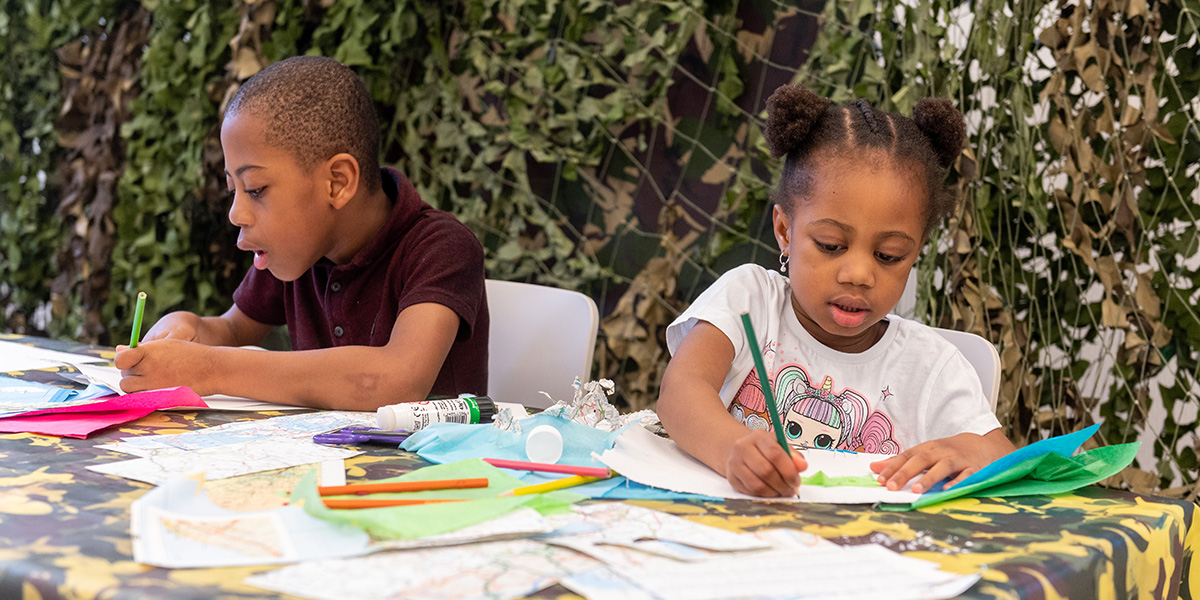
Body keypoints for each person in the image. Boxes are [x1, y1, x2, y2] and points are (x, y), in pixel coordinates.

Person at [657, 84, 1014, 498]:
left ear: (916, 252)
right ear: (785, 231)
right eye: (830, 245)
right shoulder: (749, 300)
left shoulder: (930, 366)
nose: (859, 274)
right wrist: (731, 447)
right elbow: (681, 391)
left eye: (889, 255)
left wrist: (973, 450)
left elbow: (1003, 454)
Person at [115, 56, 488, 410]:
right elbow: (231, 329)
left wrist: (210, 369)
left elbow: (396, 380)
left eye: (256, 189)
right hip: (325, 462)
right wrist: (188, 327)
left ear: (337, 182)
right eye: (234, 190)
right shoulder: (301, 250)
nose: (235, 214)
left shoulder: (441, 247)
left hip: (428, 469)